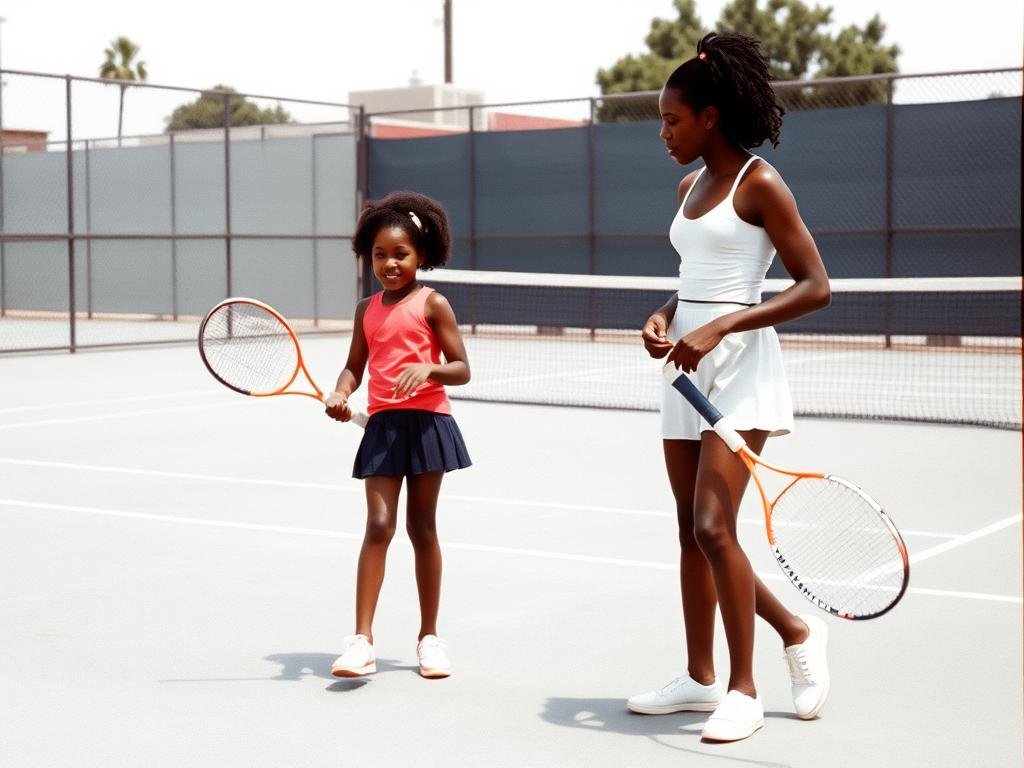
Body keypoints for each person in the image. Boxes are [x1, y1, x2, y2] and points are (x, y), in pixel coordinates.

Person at [628, 32, 833, 742]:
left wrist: (721, 327)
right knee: (690, 532)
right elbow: (692, 284)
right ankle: (700, 674)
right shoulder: (690, 189)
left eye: (671, 120)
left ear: (709, 116)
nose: (663, 133)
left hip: (743, 371)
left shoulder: (760, 184)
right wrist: (665, 315)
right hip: (685, 374)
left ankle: (745, 688)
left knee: (716, 528)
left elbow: (816, 287)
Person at [324, 190, 471, 680]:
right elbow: (353, 367)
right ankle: (361, 640)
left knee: (421, 528)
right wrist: (340, 394)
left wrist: (429, 370)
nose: (390, 263)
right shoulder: (366, 309)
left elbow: (461, 369)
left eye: (400, 254)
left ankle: (429, 638)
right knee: (379, 525)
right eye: (380, 255)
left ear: (421, 255)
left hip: (429, 424)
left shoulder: (434, 304)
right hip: (384, 427)